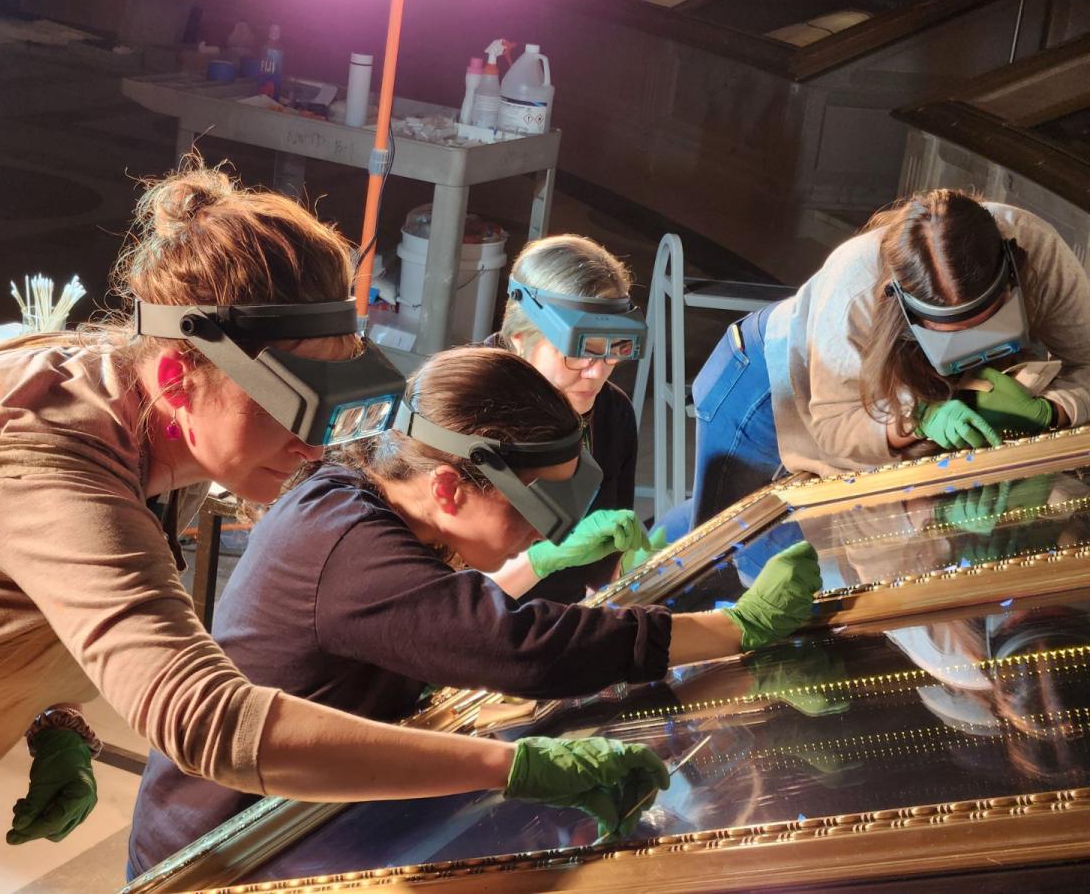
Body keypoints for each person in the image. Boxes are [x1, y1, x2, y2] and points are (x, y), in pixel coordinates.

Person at [0, 162, 667, 892]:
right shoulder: (56, 466)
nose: (316, 446)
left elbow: (25, 586)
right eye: (292, 408)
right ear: (178, 376)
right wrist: (509, 767)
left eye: (334, 408)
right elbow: (208, 721)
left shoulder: (150, 412)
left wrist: (52, 713)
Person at [126, 345, 823, 876]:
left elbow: (438, 615)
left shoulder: (356, 494)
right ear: (450, 488)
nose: (547, 536)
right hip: (227, 849)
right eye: (533, 512)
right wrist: (735, 628)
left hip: (307, 806)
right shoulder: (346, 546)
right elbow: (521, 649)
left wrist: (535, 567)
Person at [663, 190, 1090, 540]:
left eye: (988, 324)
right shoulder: (854, 288)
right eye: (953, 334)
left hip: (851, 375)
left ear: (1011, 274)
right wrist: (916, 419)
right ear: (902, 307)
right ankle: (631, 573)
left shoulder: (1039, 251)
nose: (976, 351)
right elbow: (832, 424)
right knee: (724, 540)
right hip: (764, 384)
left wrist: (1055, 411)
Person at [490, 234, 650, 604]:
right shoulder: (461, 414)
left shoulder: (612, 413)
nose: (597, 373)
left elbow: (607, 568)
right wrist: (542, 559)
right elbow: (440, 598)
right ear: (519, 339)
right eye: (579, 354)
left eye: (614, 352)